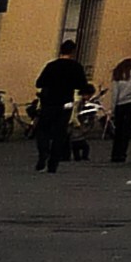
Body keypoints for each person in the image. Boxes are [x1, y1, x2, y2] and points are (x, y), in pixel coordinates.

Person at [33, 40, 86, 171]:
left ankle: (43, 152)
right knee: (60, 133)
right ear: (73, 52)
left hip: (49, 102)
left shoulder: (51, 66)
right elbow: (82, 86)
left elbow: (39, 83)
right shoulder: (76, 67)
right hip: (65, 103)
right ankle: (53, 163)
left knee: (43, 130)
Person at [105, 58, 131, 164]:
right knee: (126, 131)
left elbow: (115, 93)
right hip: (130, 103)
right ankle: (122, 153)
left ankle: (115, 154)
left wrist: (112, 108)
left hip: (119, 105)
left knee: (118, 131)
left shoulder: (118, 75)